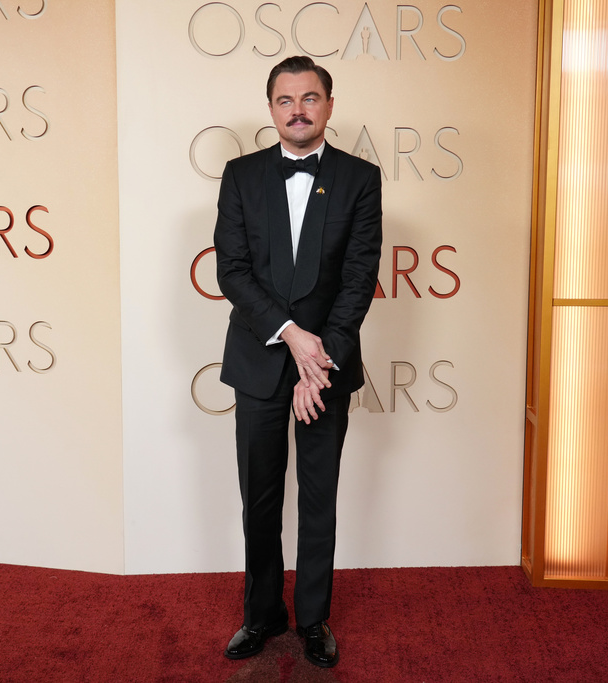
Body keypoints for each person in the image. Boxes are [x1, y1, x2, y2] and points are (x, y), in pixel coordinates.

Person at [214, 55, 382, 668]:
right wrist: (293, 337)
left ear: (329, 106)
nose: (298, 110)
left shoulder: (361, 178)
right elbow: (230, 270)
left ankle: (313, 619)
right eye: (286, 100)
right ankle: (261, 614)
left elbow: (359, 277)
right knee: (259, 496)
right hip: (260, 359)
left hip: (327, 366)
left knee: (318, 496)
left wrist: (320, 358)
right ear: (271, 110)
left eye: (310, 98)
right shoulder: (240, 175)